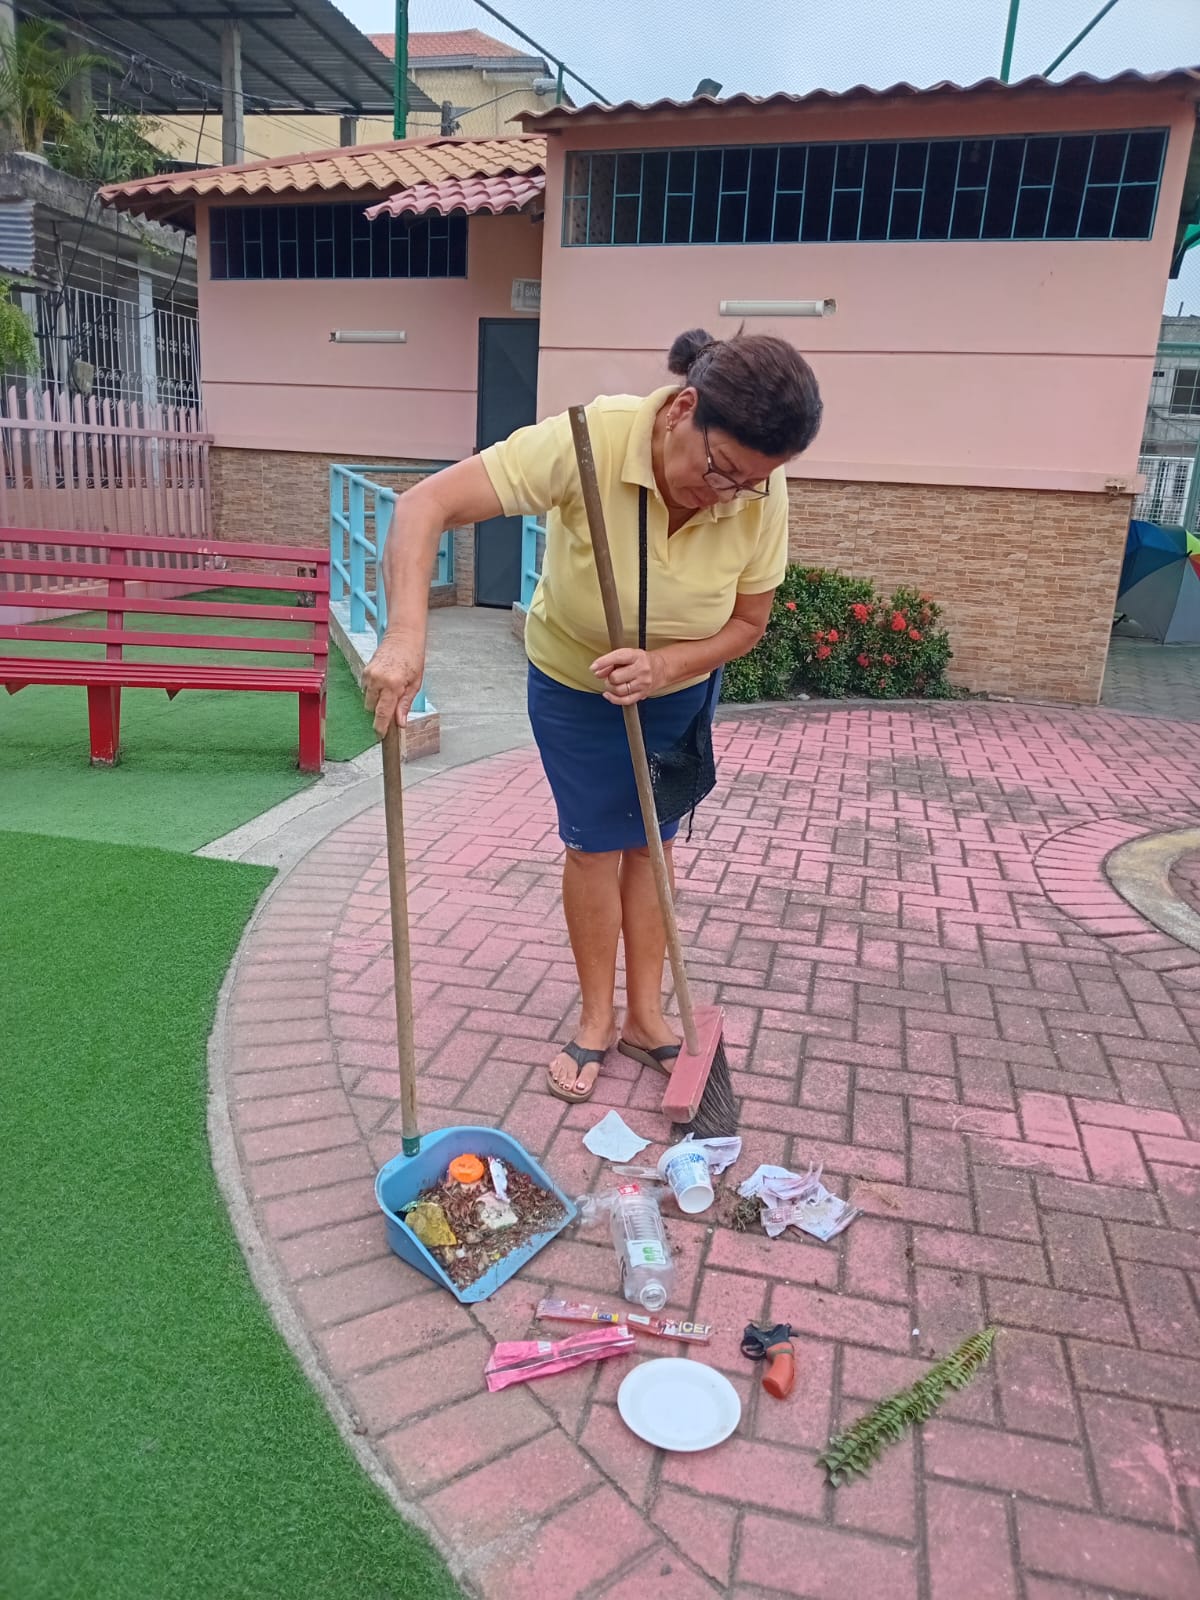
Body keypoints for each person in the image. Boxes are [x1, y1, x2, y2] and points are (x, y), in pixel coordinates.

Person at [363, 327, 823, 1103]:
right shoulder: (590, 441)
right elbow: (425, 504)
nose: (728, 493)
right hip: (576, 686)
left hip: (676, 691)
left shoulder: (759, 492)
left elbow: (748, 625)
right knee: (594, 844)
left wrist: (665, 666)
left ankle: (646, 1017)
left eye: (751, 483)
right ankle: (596, 1017)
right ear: (682, 409)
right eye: (721, 468)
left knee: (653, 843)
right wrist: (407, 633)